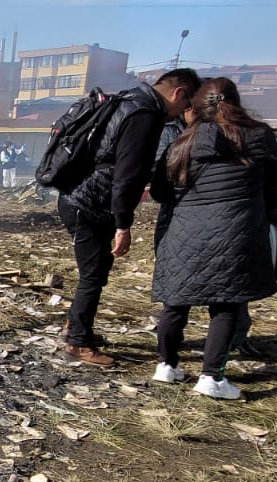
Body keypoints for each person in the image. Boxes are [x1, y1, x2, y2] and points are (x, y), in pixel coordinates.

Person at [149, 77, 277, 400]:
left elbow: (159, 190)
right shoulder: (258, 136)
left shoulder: (182, 142)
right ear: (236, 102)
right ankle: (212, 377)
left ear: (194, 106)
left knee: (175, 300)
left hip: (183, 233)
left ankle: (166, 366)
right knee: (225, 304)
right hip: (235, 232)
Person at [57, 67, 202, 367]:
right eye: (185, 106)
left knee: (96, 269)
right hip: (91, 201)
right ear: (178, 93)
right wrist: (124, 223)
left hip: (78, 196)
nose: (181, 114)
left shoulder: (128, 100)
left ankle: (76, 327)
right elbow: (127, 174)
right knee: (93, 273)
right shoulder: (145, 116)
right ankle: (77, 342)